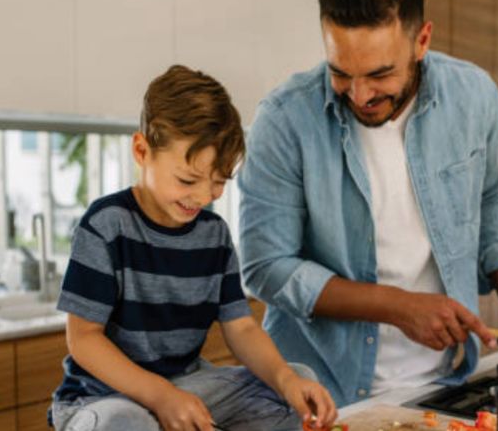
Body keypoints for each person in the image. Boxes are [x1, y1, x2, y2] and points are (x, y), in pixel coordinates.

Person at [238, 0, 498, 406]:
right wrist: (397, 306)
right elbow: (265, 267)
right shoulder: (284, 120)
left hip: (445, 383)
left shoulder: (474, 95)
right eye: (340, 72)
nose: (359, 95)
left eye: (380, 74)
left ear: (421, 40)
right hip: (319, 390)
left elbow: (490, 196)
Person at [50, 65, 336, 431]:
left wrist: (284, 379)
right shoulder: (107, 225)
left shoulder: (214, 235)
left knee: (295, 384)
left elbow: (242, 329)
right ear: (142, 151)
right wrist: (160, 397)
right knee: (125, 423)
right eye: (188, 179)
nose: (203, 197)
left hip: (186, 385)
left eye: (218, 182)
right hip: (103, 399)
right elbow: (83, 339)